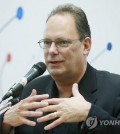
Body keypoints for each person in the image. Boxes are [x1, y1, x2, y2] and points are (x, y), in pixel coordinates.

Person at [0, 3, 120, 134]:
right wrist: (4, 123)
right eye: (47, 42)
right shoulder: (32, 91)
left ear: (86, 46)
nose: (51, 50)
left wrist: (89, 114)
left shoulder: (115, 89)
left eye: (62, 42)